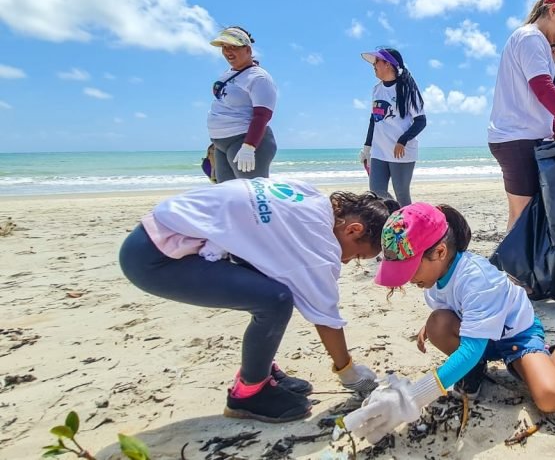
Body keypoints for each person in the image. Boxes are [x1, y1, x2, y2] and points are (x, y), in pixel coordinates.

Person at [119, 179, 398, 422]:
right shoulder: (320, 245)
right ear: (353, 230)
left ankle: (261, 369)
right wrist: (348, 372)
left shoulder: (312, 197)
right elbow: (325, 316)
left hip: (153, 232)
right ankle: (249, 392)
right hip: (156, 259)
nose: (347, 261)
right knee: (274, 301)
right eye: (357, 255)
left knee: (275, 280)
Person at [340, 203, 555, 443]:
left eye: (410, 270)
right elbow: (449, 309)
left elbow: (470, 347)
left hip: (515, 337)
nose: (408, 279)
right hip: (479, 334)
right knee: (436, 324)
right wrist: (431, 327)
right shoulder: (433, 280)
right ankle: (474, 370)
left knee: (551, 399)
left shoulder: (477, 280)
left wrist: (413, 397)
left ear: (439, 252)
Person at [487, 0, 555, 231]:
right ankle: (513, 269)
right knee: (523, 215)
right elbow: (543, 89)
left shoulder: (538, 43)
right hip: (517, 139)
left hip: (521, 137)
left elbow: (539, 106)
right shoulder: (531, 38)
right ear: (554, 9)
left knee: (526, 213)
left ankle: (517, 268)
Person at [357, 48, 426, 207]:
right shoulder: (377, 89)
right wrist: (367, 148)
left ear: (388, 64)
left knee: (401, 194)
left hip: (400, 152)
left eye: (377, 62)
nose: (373, 66)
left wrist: (402, 140)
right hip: (379, 151)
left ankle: (408, 226)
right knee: (377, 193)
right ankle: (393, 221)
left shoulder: (407, 89)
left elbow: (421, 121)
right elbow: (374, 120)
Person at [207, 26, 278, 182]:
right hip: (221, 145)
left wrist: (249, 147)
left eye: (234, 47)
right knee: (229, 197)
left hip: (244, 142)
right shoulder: (230, 73)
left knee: (253, 197)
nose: (228, 51)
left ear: (248, 50)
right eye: (224, 47)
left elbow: (262, 115)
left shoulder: (259, 78)